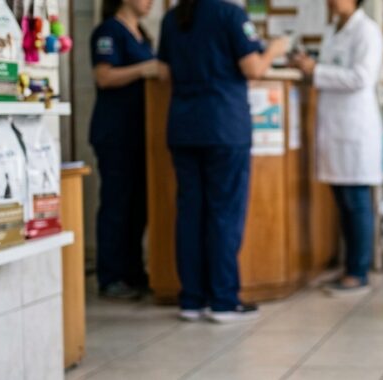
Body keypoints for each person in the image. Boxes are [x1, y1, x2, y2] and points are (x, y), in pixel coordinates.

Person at [157, 0, 288, 322]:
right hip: (223, 127)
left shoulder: (174, 18)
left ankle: (191, 300)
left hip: (184, 127)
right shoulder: (231, 14)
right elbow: (254, 69)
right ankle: (223, 300)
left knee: (190, 213)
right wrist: (275, 49)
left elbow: (163, 72)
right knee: (224, 214)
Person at [290, 0, 383, 296]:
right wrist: (311, 67)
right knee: (343, 202)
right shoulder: (333, 30)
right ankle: (349, 269)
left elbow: (361, 77)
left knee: (356, 202)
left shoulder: (367, 31)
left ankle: (358, 272)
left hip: (355, 128)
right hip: (335, 127)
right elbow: (331, 70)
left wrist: (316, 70)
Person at [90, 0, 157, 299]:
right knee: (117, 204)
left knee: (138, 207)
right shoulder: (109, 32)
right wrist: (145, 69)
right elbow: (103, 77)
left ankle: (133, 272)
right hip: (115, 133)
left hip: (141, 133)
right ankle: (111, 276)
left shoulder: (143, 33)